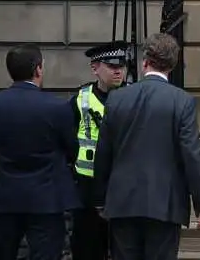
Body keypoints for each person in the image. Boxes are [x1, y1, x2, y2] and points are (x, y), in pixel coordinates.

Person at [93, 32, 200, 260]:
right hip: (164, 204)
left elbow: (103, 153)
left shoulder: (117, 98)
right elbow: (191, 156)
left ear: (145, 61)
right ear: (172, 65)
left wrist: (100, 198)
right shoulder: (182, 101)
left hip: (122, 201)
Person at [0, 44, 80, 260]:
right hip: (46, 199)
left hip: (6, 197)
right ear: (38, 69)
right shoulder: (57, 107)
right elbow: (73, 149)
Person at [69, 41, 128, 260]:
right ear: (95, 68)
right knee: (88, 247)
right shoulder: (80, 99)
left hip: (122, 181)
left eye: (122, 66)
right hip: (87, 185)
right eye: (112, 66)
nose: (118, 71)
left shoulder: (134, 96)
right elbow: (68, 138)